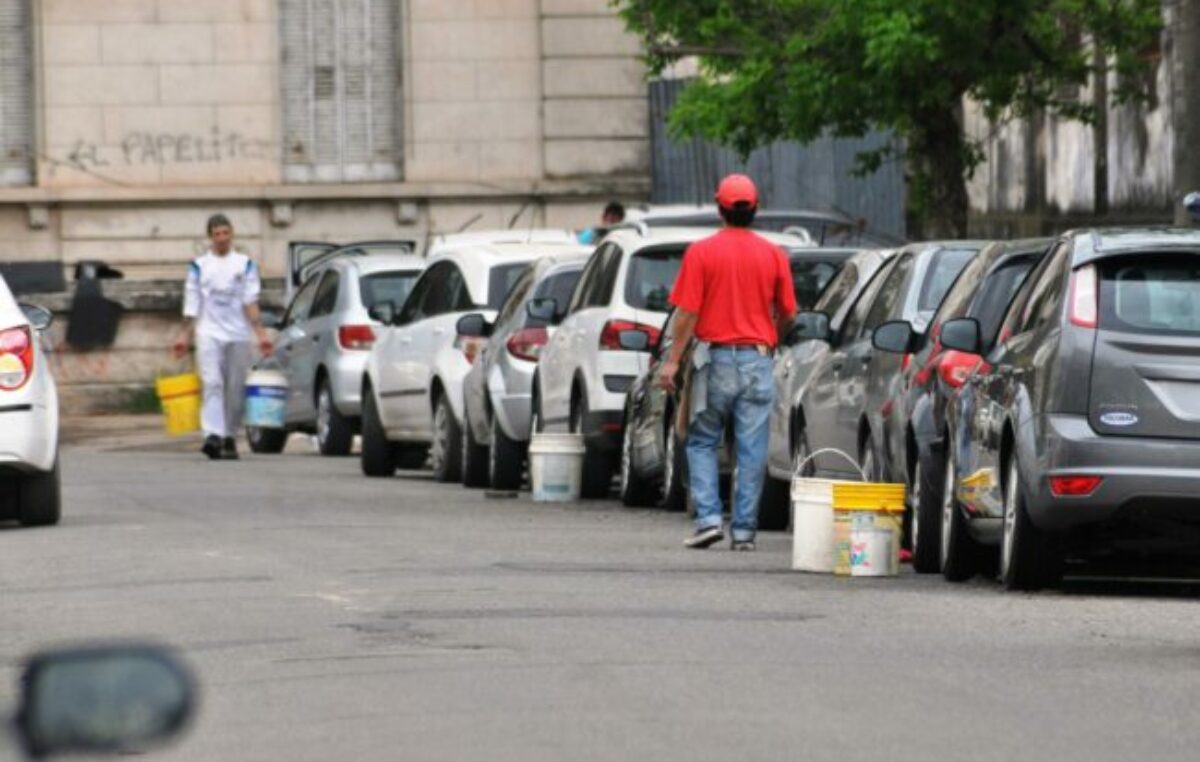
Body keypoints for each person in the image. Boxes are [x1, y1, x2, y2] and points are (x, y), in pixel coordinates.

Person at [659, 175, 796, 551]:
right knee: (752, 449)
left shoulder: (701, 253)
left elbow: (686, 313)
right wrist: (771, 337)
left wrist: (672, 362)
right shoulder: (773, 255)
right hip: (758, 360)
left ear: (720, 208)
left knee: (702, 441)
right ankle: (745, 533)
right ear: (755, 209)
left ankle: (708, 519)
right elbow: (788, 312)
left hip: (713, 360)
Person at [172, 214, 273, 461]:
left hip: (238, 333)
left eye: (226, 233)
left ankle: (230, 436)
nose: (222, 239)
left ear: (232, 234)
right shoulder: (199, 266)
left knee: (235, 387)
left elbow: (251, 301)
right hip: (209, 333)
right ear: (210, 237)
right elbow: (192, 303)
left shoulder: (245, 264)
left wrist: (261, 334)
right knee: (213, 382)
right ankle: (213, 435)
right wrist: (184, 336)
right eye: (217, 234)